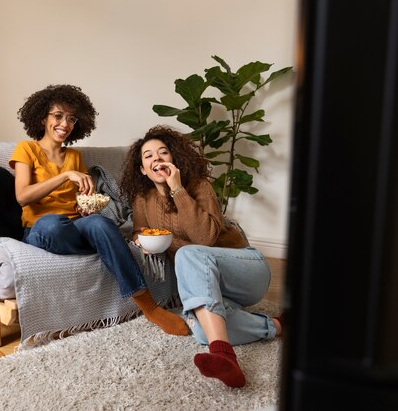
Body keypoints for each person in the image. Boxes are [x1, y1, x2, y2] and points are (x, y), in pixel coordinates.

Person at [10, 85, 188, 336]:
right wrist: (65, 176)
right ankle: (107, 245)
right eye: (58, 116)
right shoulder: (26, 149)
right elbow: (22, 196)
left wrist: (87, 205)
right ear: (42, 118)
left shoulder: (74, 156)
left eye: (71, 118)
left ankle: (150, 308)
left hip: (74, 226)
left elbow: (79, 202)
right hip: (40, 228)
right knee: (53, 224)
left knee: (100, 223)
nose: (65, 123)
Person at [120, 125, 282, 388]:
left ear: (174, 160)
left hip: (244, 268)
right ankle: (274, 326)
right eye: (148, 156)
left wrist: (177, 189)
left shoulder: (199, 186)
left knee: (187, 252)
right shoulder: (143, 198)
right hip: (211, 283)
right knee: (200, 329)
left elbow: (205, 237)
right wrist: (141, 241)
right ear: (142, 169)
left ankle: (222, 353)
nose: (157, 159)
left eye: (163, 152)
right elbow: (140, 231)